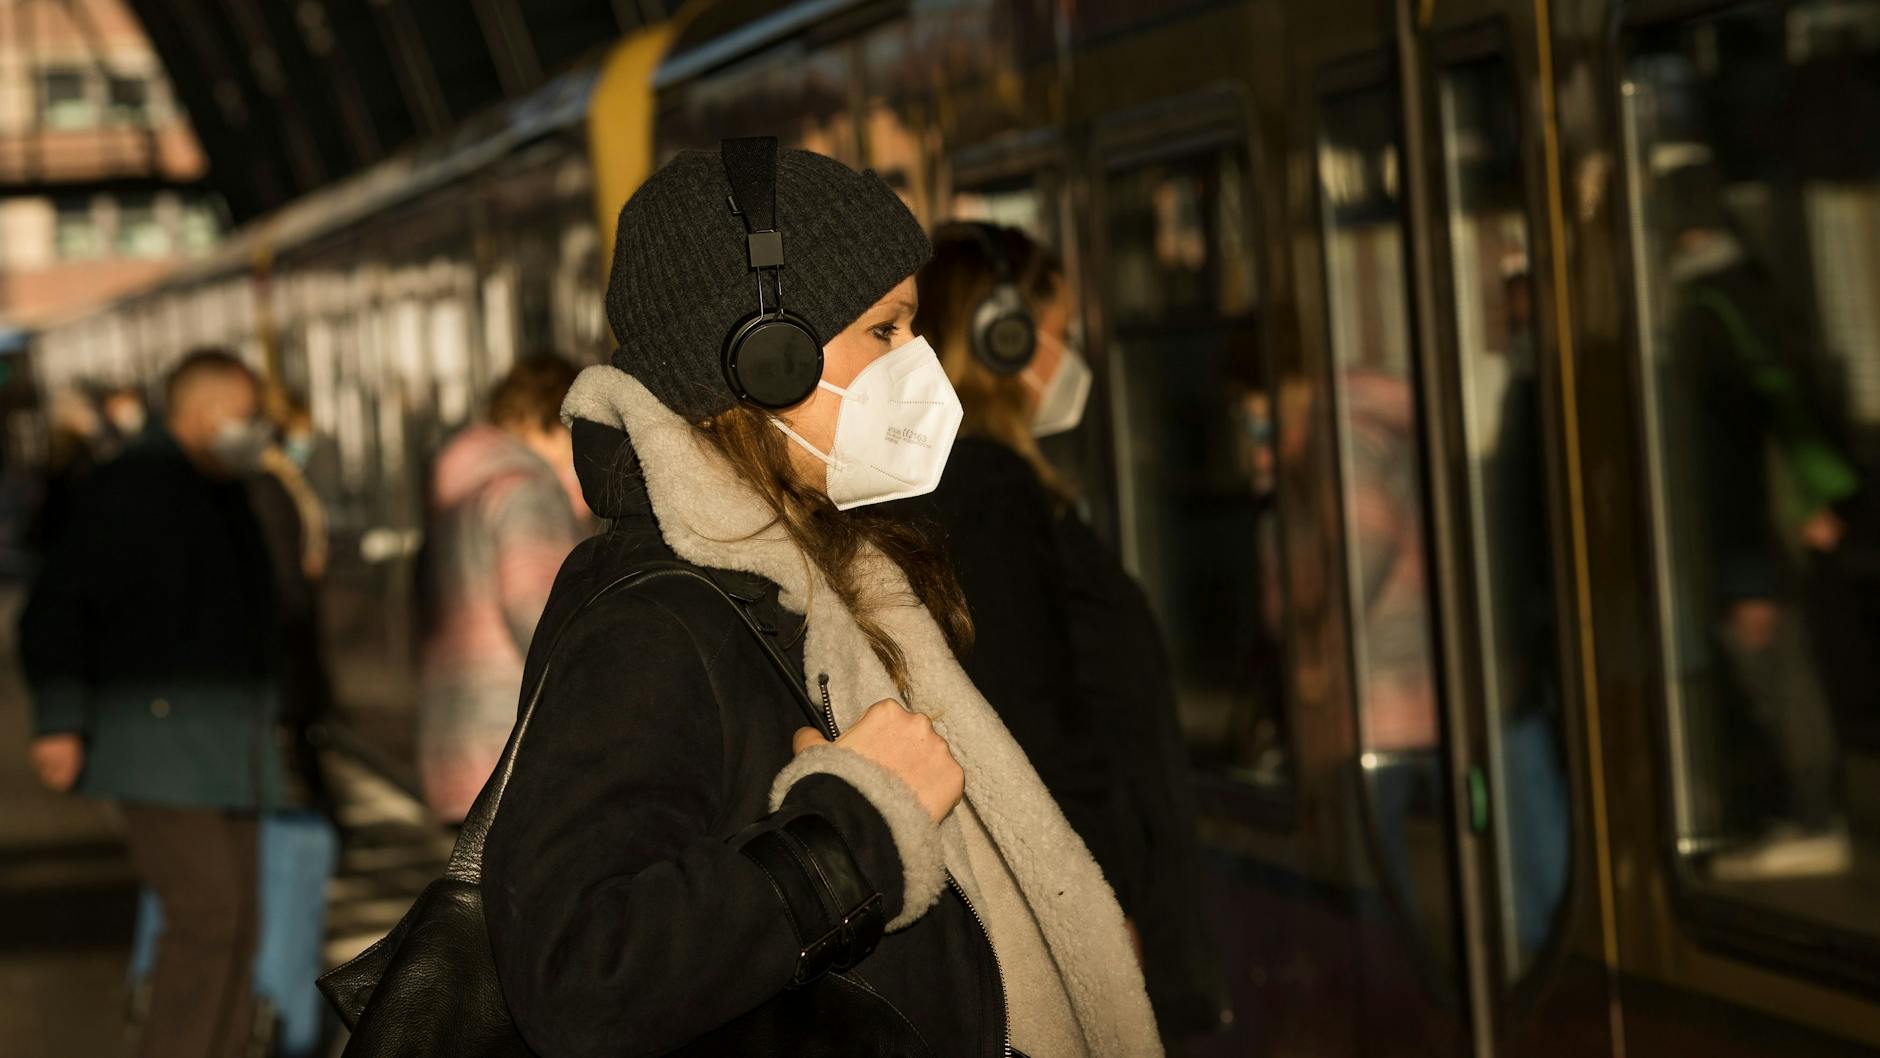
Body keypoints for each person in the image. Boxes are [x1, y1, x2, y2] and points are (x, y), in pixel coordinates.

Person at [481, 139, 1161, 1057]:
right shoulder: (656, 623)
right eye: (885, 330)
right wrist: (857, 829)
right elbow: (579, 973)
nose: (917, 363)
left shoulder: (819, 580)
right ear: (765, 356)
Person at [891, 220, 1224, 1040]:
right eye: (1060, 336)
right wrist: (1101, 915)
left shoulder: (973, 489)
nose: (1071, 361)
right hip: (1092, 910)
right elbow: (1038, 722)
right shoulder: (992, 495)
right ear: (998, 337)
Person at [21, 348, 283, 1058]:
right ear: (205, 414)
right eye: (249, 415)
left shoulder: (217, 488)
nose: (260, 428)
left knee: (237, 917)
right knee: (208, 914)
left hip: (225, 740)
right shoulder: (132, 490)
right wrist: (60, 721)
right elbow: (55, 610)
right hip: (160, 739)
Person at [1659, 162, 1856, 876]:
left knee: (1777, 673)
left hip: (1750, 529)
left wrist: (1748, 568)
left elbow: (1732, 445)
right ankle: (1806, 811)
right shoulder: (1752, 293)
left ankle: (1810, 817)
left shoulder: (1708, 312)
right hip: (1780, 523)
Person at [416, 354, 583, 823]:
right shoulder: (526, 489)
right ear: (552, 421)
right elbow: (544, 619)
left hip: (462, 743)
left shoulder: (462, 482)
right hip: (520, 751)